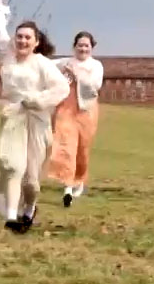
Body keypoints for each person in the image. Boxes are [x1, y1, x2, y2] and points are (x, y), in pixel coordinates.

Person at [0, 0, 70, 233]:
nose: (22, 41)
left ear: (36, 43)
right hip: (13, 118)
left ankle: (29, 209)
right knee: (13, 167)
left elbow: (61, 88)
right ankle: (12, 216)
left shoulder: (42, 64)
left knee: (31, 180)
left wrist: (36, 101)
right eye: (19, 36)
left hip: (37, 122)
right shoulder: (7, 55)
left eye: (27, 38)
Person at [45, 31, 104, 207]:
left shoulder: (96, 66)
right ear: (74, 46)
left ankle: (79, 180)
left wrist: (77, 75)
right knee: (66, 146)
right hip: (65, 110)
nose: (83, 49)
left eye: (86, 45)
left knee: (82, 150)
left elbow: (95, 85)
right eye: (80, 45)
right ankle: (68, 188)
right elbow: (44, 66)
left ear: (91, 48)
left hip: (86, 111)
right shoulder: (65, 62)